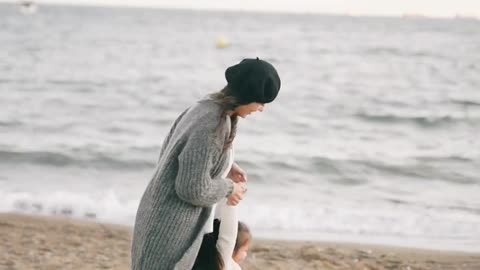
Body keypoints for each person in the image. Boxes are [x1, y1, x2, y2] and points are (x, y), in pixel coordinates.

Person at [131, 57, 281, 270]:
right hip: (168, 227)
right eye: (261, 102)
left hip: (161, 213)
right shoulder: (213, 124)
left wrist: (227, 164)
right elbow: (192, 189)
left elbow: (183, 153)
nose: (262, 108)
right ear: (248, 95)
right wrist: (230, 188)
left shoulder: (208, 106)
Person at [192, 199, 252, 270]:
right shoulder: (223, 261)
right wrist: (231, 199)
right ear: (233, 248)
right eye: (244, 250)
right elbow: (228, 237)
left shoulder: (198, 257)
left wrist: (225, 193)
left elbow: (217, 219)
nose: (245, 255)